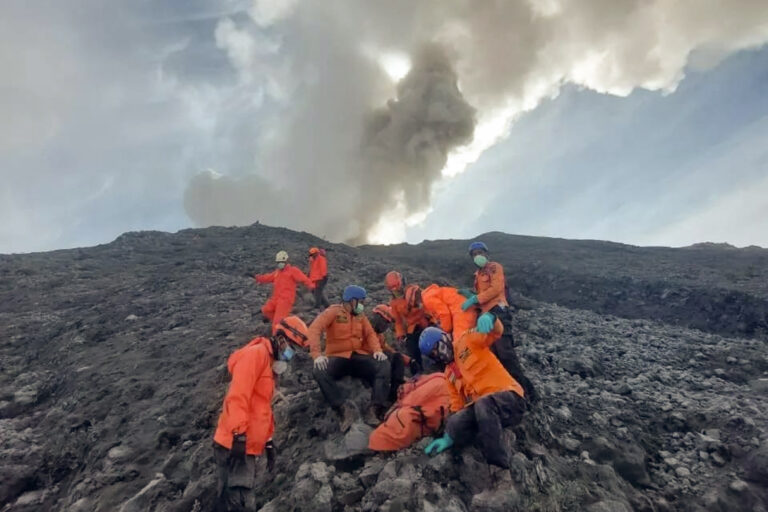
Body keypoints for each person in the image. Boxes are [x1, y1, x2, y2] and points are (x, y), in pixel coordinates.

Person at [212, 316, 308, 511]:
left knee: (234, 498)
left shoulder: (269, 363)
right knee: (240, 501)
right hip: (235, 443)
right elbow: (238, 396)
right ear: (282, 339)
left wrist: (268, 439)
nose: (292, 354)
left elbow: (262, 408)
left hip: (248, 444)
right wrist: (238, 435)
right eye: (292, 347)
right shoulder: (255, 355)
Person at [419, 324, 526, 469]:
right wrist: (449, 435)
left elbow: (494, 333)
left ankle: (498, 466)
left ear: (445, 338)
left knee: (483, 404)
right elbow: (456, 406)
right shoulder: (449, 374)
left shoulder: (467, 340)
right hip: (487, 413)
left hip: (510, 399)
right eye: (434, 354)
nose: (440, 355)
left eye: (439, 348)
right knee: (455, 421)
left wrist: (491, 320)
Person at [461, 241, 538, 403]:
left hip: (499, 312)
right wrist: (472, 296)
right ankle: (510, 391)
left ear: (486, 254)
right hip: (486, 316)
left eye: (480, 252)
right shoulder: (478, 275)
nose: (477, 256)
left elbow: (496, 289)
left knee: (506, 354)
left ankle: (527, 395)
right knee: (496, 356)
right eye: (474, 254)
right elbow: (482, 297)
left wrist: (476, 297)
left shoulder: (494, 267)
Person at [308, 285, 390, 430]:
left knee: (383, 364)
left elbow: (370, 334)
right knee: (319, 371)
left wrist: (377, 350)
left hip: (357, 357)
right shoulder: (333, 312)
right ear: (352, 301)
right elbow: (315, 328)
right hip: (337, 357)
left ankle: (375, 408)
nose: (363, 305)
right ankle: (342, 408)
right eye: (361, 301)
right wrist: (317, 355)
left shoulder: (360, 316)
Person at [368, 372, 452, 451]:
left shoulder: (439, 380)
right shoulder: (441, 381)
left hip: (409, 421)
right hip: (421, 422)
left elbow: (412, 399)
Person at [254, 250, 315, 336]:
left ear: (286, 261)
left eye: (281, 262)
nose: (280, 264)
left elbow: (304, 278)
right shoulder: (277, 272)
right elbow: (267, 277)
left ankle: (277, 337)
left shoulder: (293, 270)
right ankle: (284, 323)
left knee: (277, 322)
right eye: (278, 262)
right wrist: (258, 278)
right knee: (266, 310)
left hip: (285, 300)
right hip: (275, 299)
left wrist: (311, 285)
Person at [369, 304, 416, 401]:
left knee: (396, 357)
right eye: (385, 322)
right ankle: (390, 397)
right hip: (366, 362)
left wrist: (408, 360)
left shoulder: (379, 336)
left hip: (373, 361)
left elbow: (388, 349)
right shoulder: (364, 330)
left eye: (388, 323)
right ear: (378, 318)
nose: (386, 326)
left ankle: (394, 392)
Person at [386, 271, 430, 371]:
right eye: (392, 288)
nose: (395, 290)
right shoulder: (394, 302)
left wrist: (418, 304)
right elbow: (398, 321)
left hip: (426, 322)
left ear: (402, 282)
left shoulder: (414, 290)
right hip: (413, 328)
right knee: (412, 349)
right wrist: (400, 334)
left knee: (435, 342)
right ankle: (418, 372)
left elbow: (425, 304)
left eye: (396, 286)